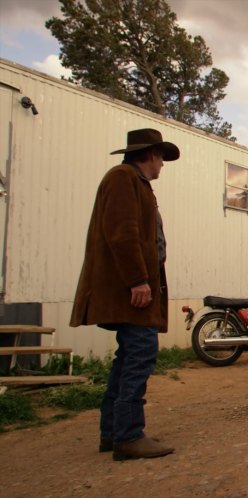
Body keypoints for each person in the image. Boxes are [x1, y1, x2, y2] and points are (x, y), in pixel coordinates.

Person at [70, 128, 178, 461]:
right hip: (129, 291)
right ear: (150, 154)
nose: (162, 165)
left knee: (128, 356)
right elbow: (122, 233)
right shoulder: (122, 178)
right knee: (141, 353)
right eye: (161, 157)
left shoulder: (135, 182)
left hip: (132, 289)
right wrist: (137, 280)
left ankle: (113, 433)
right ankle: (128, 435)